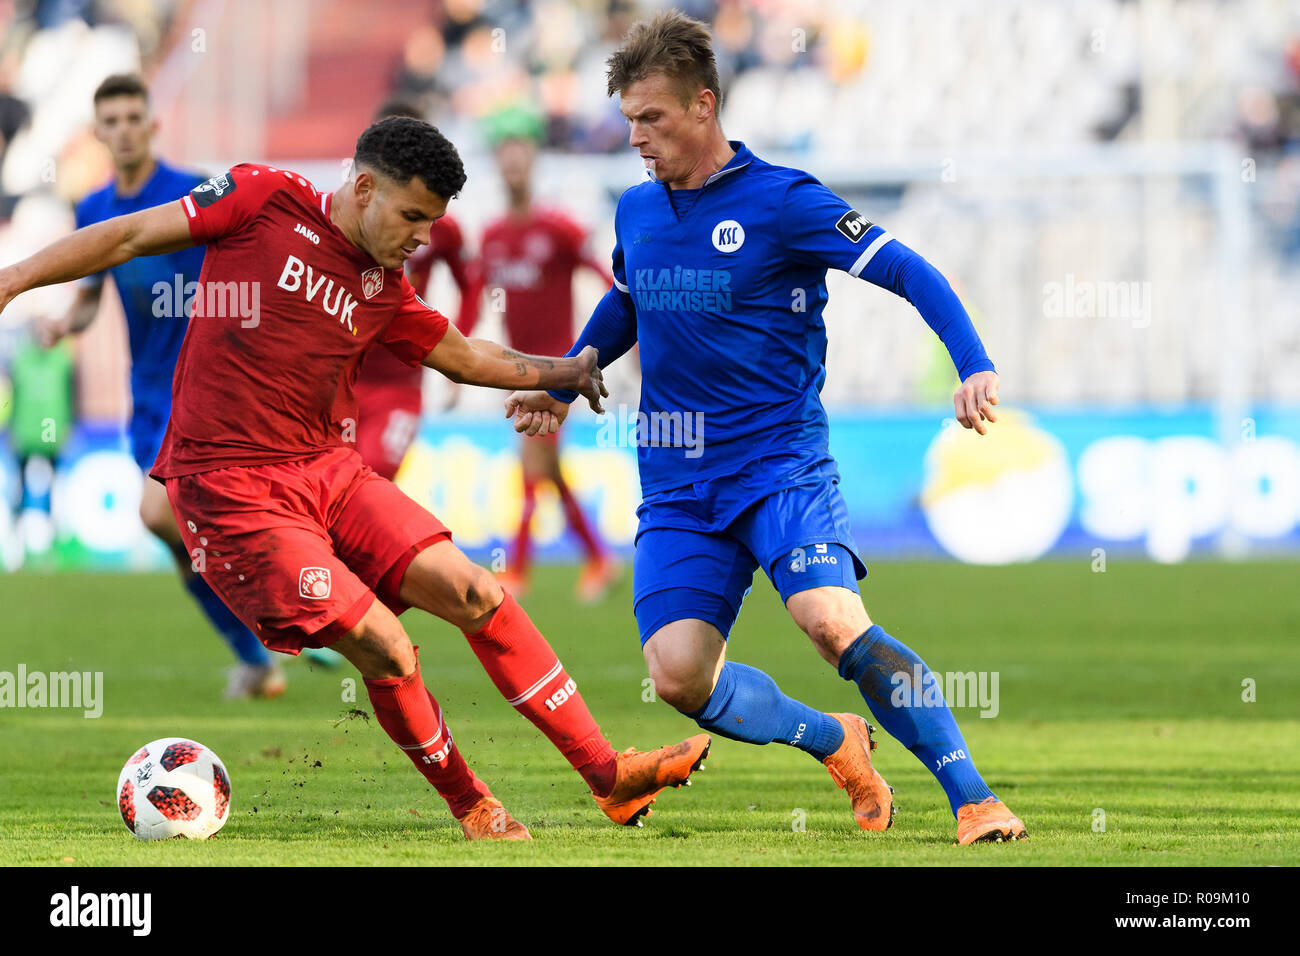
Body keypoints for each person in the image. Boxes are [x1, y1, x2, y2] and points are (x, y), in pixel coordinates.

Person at [0, 116, 708, 840]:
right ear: (363, 188)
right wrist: (15, 280)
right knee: (386, 646)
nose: (421, 238)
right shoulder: (260, 196)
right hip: (232, 491)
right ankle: (474, 805)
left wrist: (567, 369)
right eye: (411, 216)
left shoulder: (383, 288)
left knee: (476, 591)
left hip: (327, 470)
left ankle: (609, 777)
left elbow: (463, 356)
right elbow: (124, 237)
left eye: (432, 223)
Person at [507, 11, 1026, 845]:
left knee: (831, 623)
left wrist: (972, 362)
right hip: (677, 479)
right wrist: (570, 378)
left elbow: (904, 267)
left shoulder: (783, 201)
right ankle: (834, 740)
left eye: (652, 119)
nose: (636, 137)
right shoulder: (637, 211)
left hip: (780, 463)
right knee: (677, 678)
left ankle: (974, 797)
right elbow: (630, 298)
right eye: (628, 120)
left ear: (704, 106)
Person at [39, 74, 285, 699]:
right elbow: (92, 296)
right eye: (111, 120)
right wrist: (65, 322)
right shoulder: (92, 209)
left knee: (158, 514)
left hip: (210, 387)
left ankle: (273, 621)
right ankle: (256, 653)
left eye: (132, 117)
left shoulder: (193, 192)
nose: (123, 129)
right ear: (98, 133)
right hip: (147, 394)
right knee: (177, 539)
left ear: (152, 124)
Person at [461, 105, 618, 603]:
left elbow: (606, 279)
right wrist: (448, 352)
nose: (512, 162)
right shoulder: (492, 236)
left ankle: (519, 570)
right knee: (546, 470)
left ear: (533, 160)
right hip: (515, 368)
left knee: (532, 466)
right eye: (504, 154)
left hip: (560, 367)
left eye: (520, 153)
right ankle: (598, 557)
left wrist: (620, 345)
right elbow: (473, 298)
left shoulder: (559, 229)